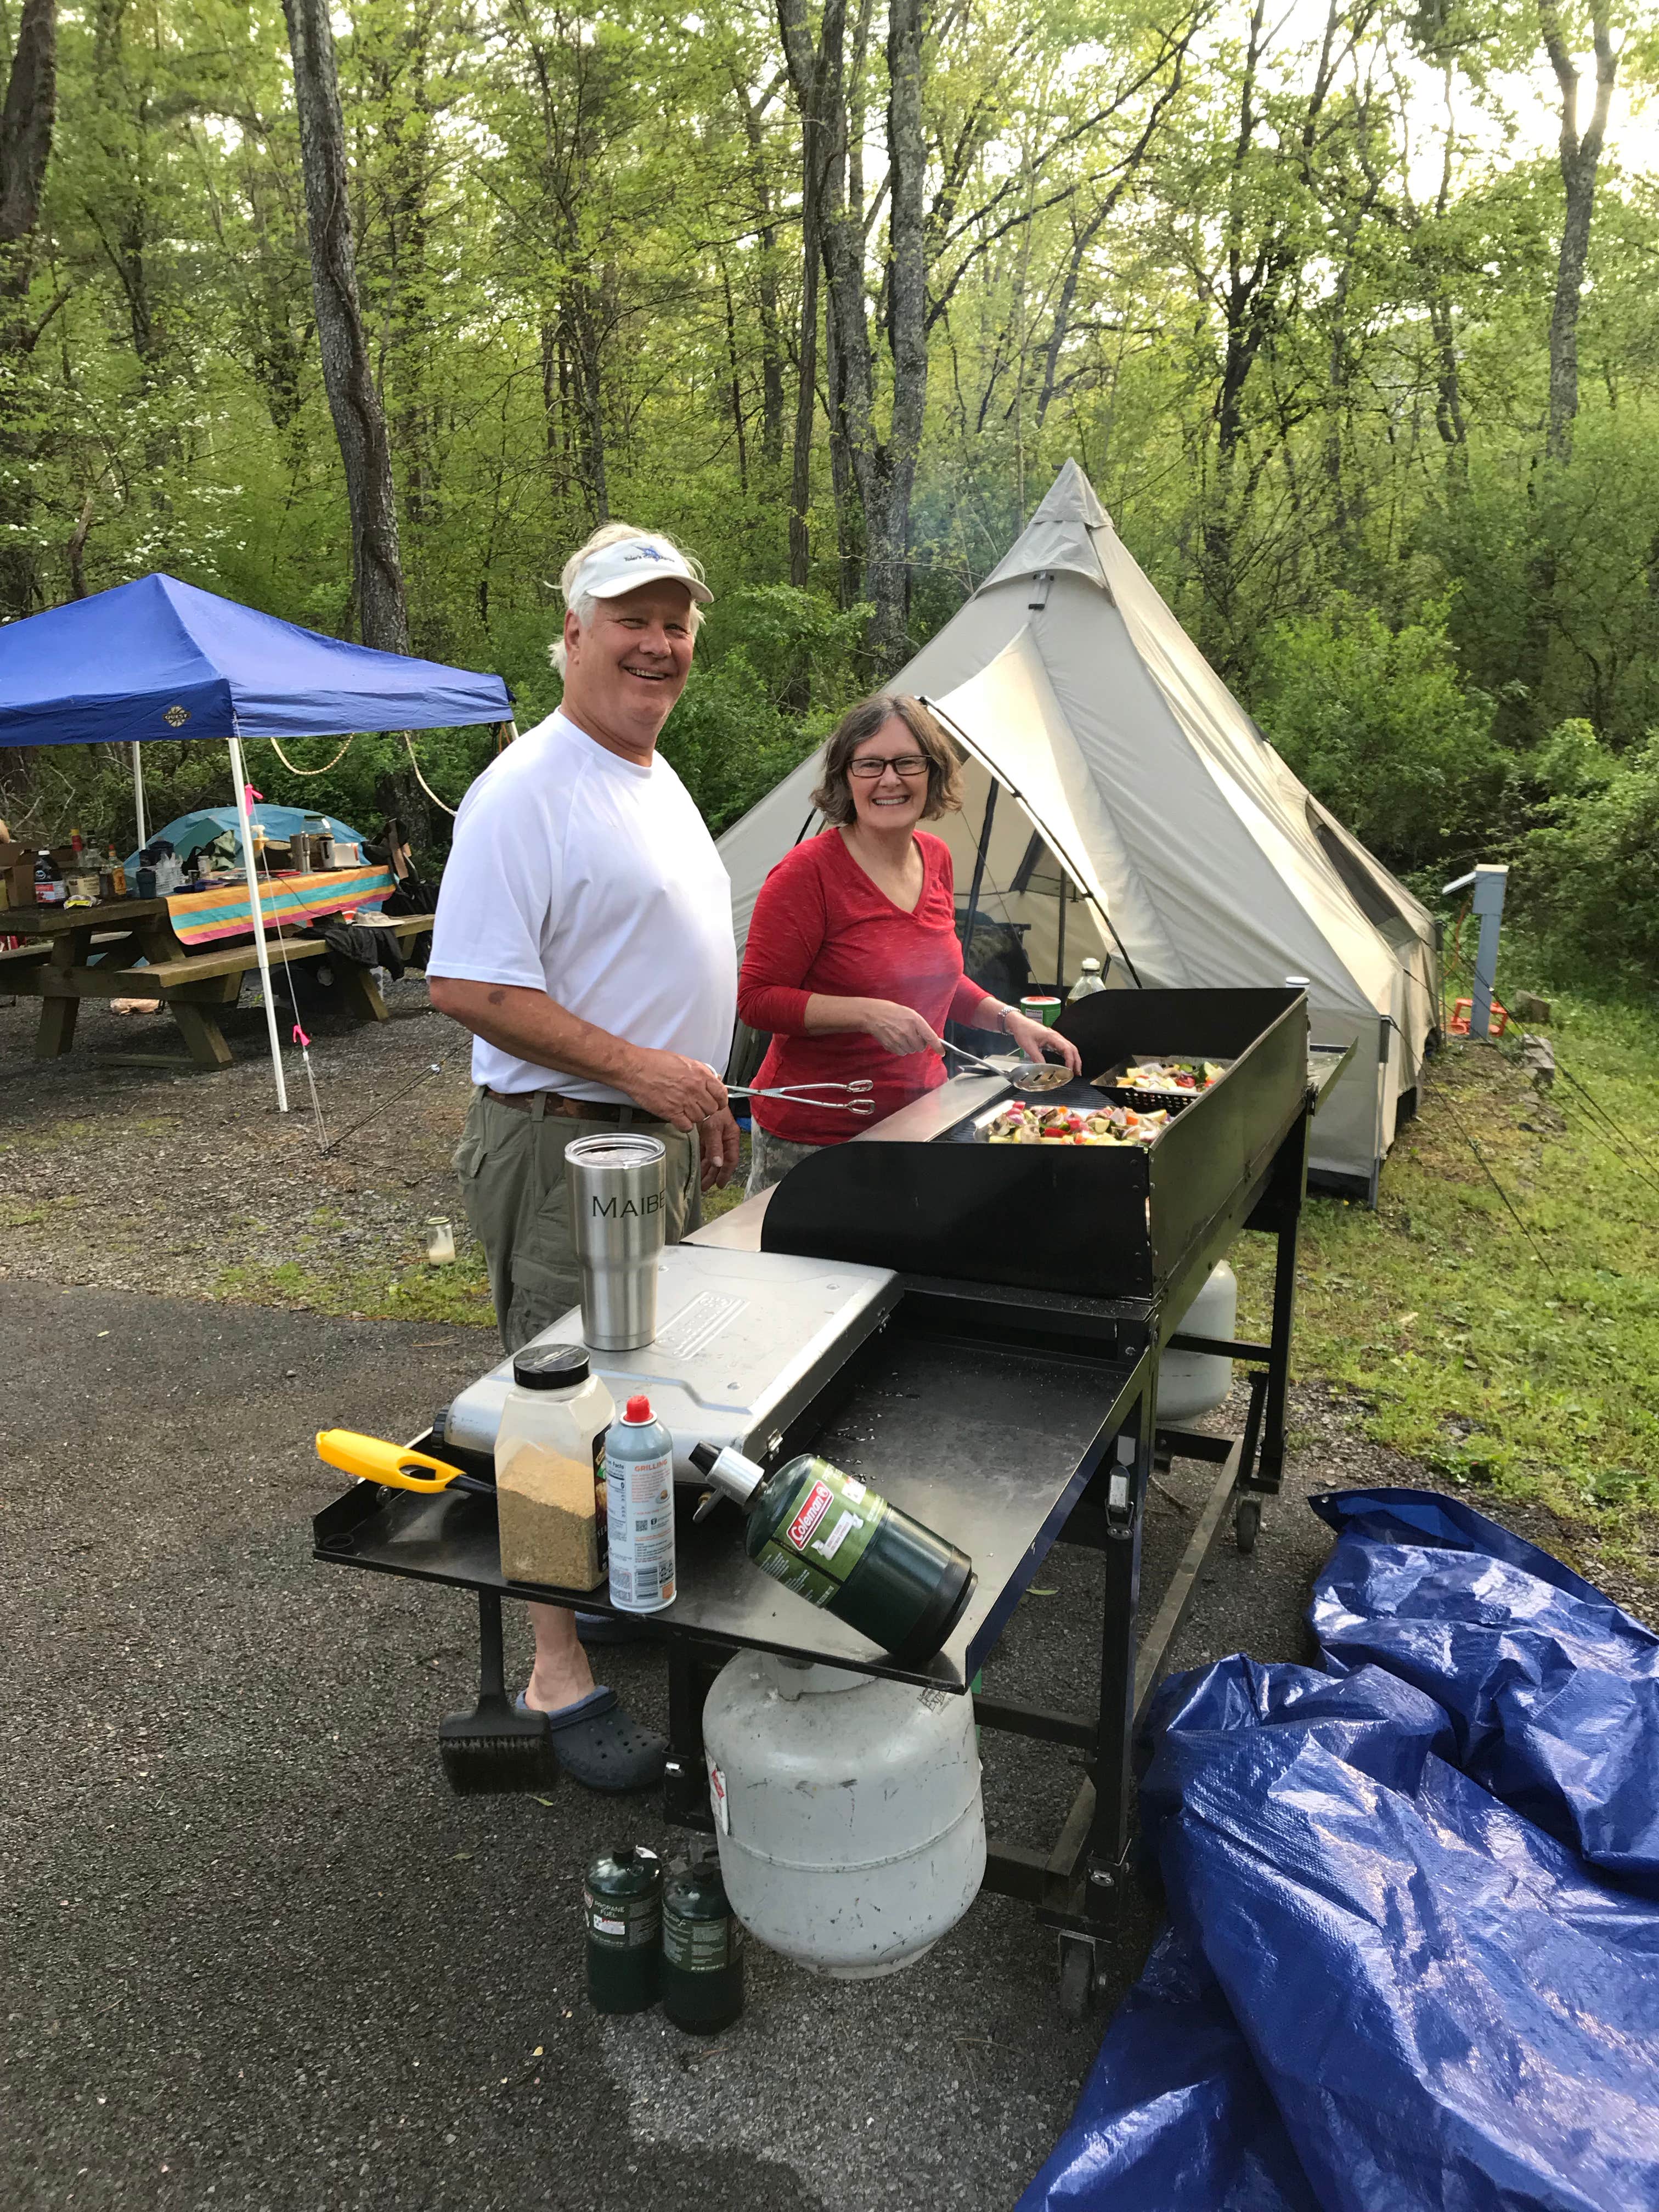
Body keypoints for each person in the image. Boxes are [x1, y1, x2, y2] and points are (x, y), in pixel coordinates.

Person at [427, 521, 741, 1792]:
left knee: (640, 1392)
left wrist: (697, 1104)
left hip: (644, 1139)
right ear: (573, 636)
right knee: (555, 1412)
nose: (658, 644)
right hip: (565, 1147)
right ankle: (555, 1666)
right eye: (632, 620)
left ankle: (606, 1587)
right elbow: (464, 985)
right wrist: (645, 1073)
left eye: (675, 624)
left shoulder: (651, 774)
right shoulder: (529, 787)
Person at [736, 692, 1081, 1192]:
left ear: (932, 773)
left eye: (907, 763)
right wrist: (867, 1013)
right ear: (845, 777)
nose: (890, 780)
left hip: (919, 1116)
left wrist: (1011, 1019)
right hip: (815, 1134)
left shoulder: (936, 857)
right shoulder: (806, 874)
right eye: (870, 764)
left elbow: (937, 980)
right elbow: (756, 1000)